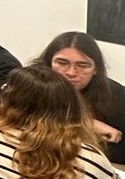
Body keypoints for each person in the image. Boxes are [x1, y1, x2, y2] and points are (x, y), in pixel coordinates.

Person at [36, 31, 125, 163]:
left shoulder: (115, 95)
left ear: (96, 69)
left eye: (83, 65)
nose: (71, 73)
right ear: (48, 64)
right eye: (62, 63)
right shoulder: (32, 84)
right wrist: (85, 124)